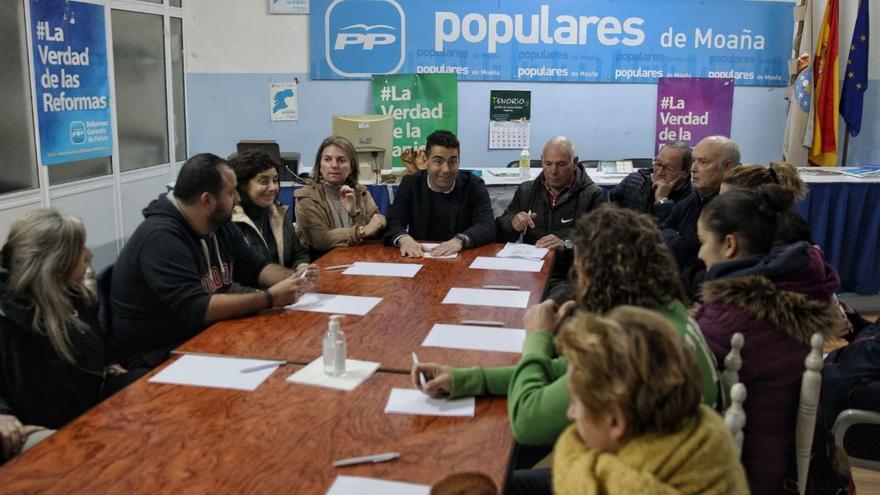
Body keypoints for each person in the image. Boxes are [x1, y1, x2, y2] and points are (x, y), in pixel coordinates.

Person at [412, 205, 720, 451]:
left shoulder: (630, 346)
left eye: (581, 267)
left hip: (636, 479)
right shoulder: (664, 310)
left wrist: (538, 337)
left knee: (486, 460)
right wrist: (466, 378)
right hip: (659, 462)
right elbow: (569, 370)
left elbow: (528, 420)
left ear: (598, 275)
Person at [695, 184, 842, 495]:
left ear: (729, 245)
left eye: (703, 241)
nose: (699, 253)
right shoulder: (793, 290)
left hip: (744, 471)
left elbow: (686, 391)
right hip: (782, 460)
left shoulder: (732, 319)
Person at [111, 153, 316, 369]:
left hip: (207, 337)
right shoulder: (161, 238)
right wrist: (270, 298)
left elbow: (255, 268)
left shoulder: (219, 225)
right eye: (231, 192)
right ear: (207, 200)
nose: (238, 198)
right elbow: (195, 308)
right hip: (157, 355)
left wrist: (297, 279)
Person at [552, 307, 748, 494]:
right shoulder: (702, 430)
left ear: (615, 421)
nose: (570, 413)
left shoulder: (609, 484)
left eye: (575, 404)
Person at [0, 210, 144, 461]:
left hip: (85, 413)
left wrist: (110, 365)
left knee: (148, 388)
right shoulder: (6, 318)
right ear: (56, 267)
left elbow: (100, 354)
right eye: (79, 250)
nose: (89, 255)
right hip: (33, 429)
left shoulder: (74, 297)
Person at [495, 137, 606, 301]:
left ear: (574, 162)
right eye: (548, 164)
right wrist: (512, 223)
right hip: (529, 270)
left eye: (561, 165)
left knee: (547, 306)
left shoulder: (592, 195)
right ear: (541, 161)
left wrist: (566, 244)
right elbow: (499, 233)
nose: (553, 171)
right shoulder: (526, 190)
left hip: (568, 275)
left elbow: (602, 246)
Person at [385, 130, 495, 257]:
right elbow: (394, 221)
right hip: (420, 257)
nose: (446, 169)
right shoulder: (411, 184)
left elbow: (487, 226)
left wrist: (460, 240)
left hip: (463, 258)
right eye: (438, 161)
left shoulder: (474, 185)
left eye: (452, 161)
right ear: (426, 160)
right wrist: (405, 240)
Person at [294, 136, 386, 256]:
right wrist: (360, 232)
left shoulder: (360, 193)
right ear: (319, 166)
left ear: (351, 167)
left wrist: (355, 214)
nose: (334, 165)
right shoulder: (307, 197)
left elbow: (376, 229)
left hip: (359, 260)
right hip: (321, 263)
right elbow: (321, 240)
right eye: (327, 159)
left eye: (341, 160)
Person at [659, 135, 740, 269]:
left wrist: (677, 242)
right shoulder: (694, 197)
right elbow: (662, 231)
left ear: (727, 167)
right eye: (693, 161)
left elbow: (698, 257)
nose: (693, 169)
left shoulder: (734, 208)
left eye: (703, 162)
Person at [229, 149, 310, 269]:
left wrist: (302, 267)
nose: (273, 187)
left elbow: (298, 253)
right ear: (243, 185)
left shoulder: (278, 214)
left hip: (284, 284)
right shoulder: (231, 222)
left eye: (275, 180)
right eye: (264, 181)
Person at [609, 140, 692, 221]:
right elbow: (607, 216)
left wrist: (662, 200)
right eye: (658, 164)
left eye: (668, 169)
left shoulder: (692, 199)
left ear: (685, 173)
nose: (659, 172)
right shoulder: (633, 183)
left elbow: (672, 231)